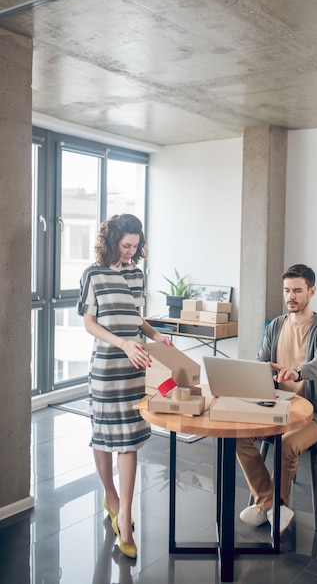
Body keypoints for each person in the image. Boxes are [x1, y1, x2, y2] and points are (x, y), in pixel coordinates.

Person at [77, 213, 172, 559]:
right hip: (106, 367)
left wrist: (156, 335)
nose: (131, 252)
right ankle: (111, 497)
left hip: (135, 366)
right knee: (103, 437)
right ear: (112, 241)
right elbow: (90, 323)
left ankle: (126, 518)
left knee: (129, 441)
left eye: (136, 246)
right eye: (126, 245)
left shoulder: (136, 273)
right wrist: (122, 343)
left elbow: (136, 317)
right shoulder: (93, 274)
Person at [237, 264, 317, 535]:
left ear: (312, 291)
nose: (290, 296)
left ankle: (275, 504)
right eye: (286, 290)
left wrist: (298, 371)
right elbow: (261, 362)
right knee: (237, 436)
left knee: (286, 444)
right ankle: (269, 504)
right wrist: (258, 372)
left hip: (314, 414)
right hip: (276, 405)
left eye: (297, 291)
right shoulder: (276, 325)